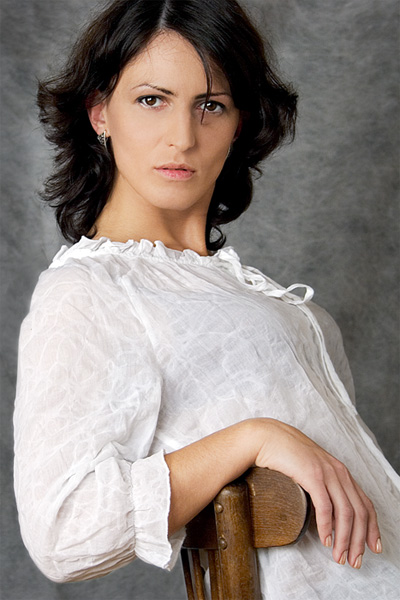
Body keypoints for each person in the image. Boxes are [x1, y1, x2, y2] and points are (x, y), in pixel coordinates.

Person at [13, 0, 399, 597]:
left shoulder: (232, 286)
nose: (182, 137)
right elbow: (65, 532)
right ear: (100, 112)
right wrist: (254, 437)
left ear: (239, 123)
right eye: (152, 100)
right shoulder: (91, 291)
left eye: (210, 105)